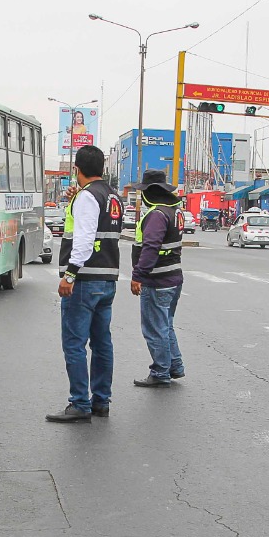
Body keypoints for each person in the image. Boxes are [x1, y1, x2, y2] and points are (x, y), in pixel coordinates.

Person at [48, 145, 122, 423]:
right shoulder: (112, 196)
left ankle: (80, 403)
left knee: (74, 343)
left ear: (77, 169)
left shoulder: (88, 197)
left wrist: (70, 275)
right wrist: (76, 198)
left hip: (85, 280)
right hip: (107, 278)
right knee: (102, 343)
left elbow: (84, 239)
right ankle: (101, 401)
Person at [130, 169, 184, 388]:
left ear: (149, 192)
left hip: (157, 280)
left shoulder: (157, 214)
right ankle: (174, 366)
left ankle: (161, 372)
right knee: (166, 325)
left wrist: (138, 275)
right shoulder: (174, 211)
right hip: (174, 277)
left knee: (155, 329)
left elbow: (151, 247)